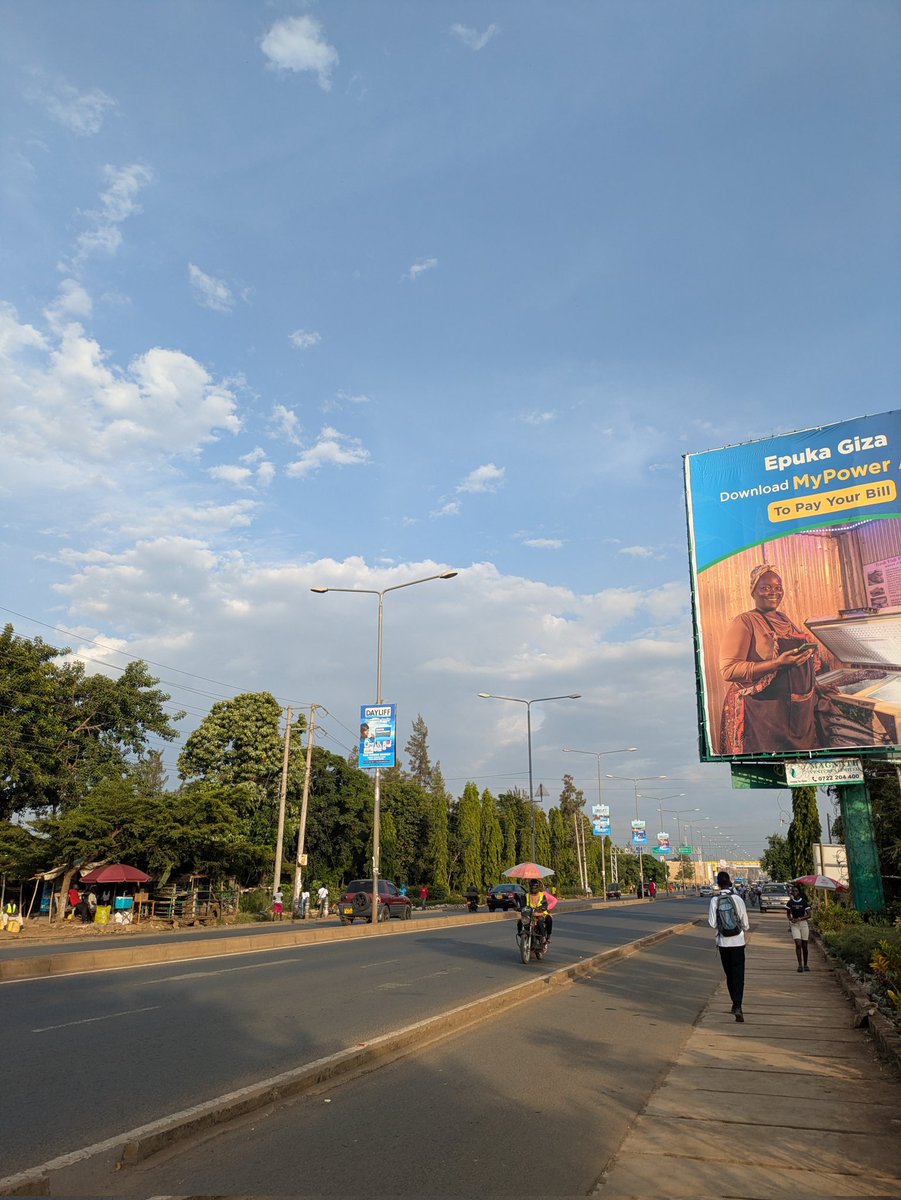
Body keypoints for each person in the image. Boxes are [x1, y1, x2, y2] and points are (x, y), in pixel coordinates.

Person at [719, 565, 821, 754]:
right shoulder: (745, 621)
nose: (773, 592)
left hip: (794, 716)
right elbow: (729, 670)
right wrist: (777, 663)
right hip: (762, 714)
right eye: (766, 587)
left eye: (778, 587)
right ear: (753, 591)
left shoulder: (784, 618)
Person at [708, 870, 750, 1022]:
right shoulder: (738, 899)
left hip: (723, 943)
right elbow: (745, 923)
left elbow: (712, 923)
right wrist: (742, 929)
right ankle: (738, 1005)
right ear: (730, 883)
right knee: (739, 975)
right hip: (738, 942)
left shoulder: (715, 900)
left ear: (718, 884)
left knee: (729, 975)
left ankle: (734, 1003)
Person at [516, 878, 553, 943]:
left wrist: (539, 910)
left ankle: (545, 936)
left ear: (538, 887)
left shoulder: (542, 895)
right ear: (530, 887)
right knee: (520, 921)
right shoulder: (526, 896)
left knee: (544, 920)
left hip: (540, 914)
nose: (533, 888)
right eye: (532, 886)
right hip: (529, 914)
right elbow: (522, 905)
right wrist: (519, 908)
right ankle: (521, 934)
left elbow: (545, 905)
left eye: (535, 886)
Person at [786, 883, 812, 972]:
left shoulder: (804, 902)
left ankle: (805, 964)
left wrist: (800, 918)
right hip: (795, 925)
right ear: (791, 893)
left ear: (799, 892)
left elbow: (809, 915)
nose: (794, 892)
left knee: (805, 945)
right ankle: (800, 965)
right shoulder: (790, 903)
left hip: (803, 924)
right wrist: (791, 919)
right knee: (798, 944)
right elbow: (788, 914)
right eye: (793, 891)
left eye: (796, 891)